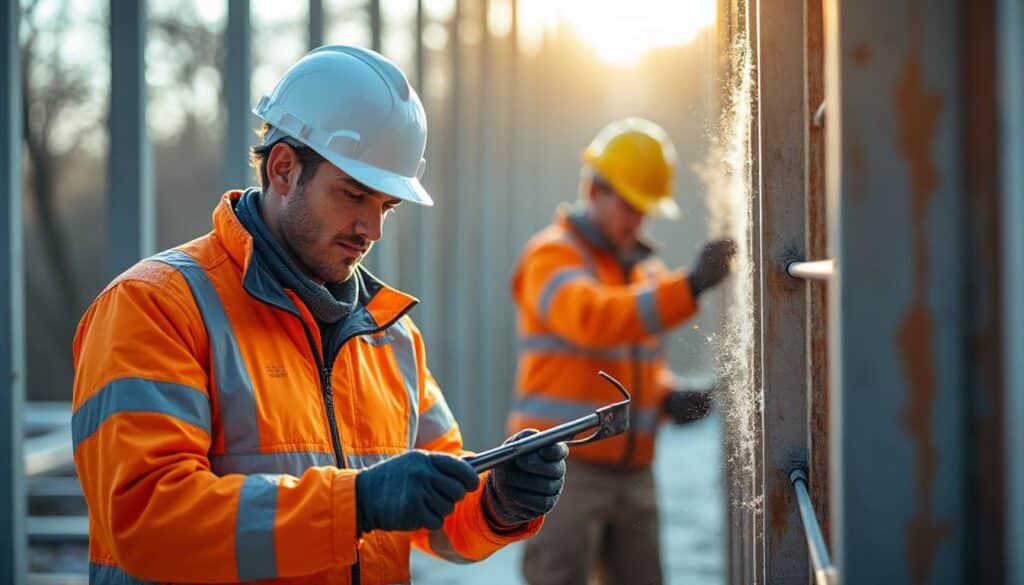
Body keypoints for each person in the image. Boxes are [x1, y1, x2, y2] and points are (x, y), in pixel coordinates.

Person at [71, 45, 567, 585]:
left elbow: (436, 509)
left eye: (386, 206)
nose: (371, 229)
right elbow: (148, 522)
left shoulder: (391, 335)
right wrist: (354, 505)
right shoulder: (156, 306)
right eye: (354, 195)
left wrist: (498, 501)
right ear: (283, 169)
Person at [507, 118, 736, 585]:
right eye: (630, 206)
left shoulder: (643, 271)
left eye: (645, 209)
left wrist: (665, 399)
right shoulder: (551, 257)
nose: (637, 220)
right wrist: (690, 286)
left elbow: (632, 369)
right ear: (595, 191)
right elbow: (595, 320)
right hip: (561, 469)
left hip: (634, 473)